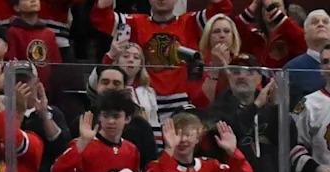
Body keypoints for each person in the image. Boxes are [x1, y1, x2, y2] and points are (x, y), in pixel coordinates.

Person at [90, 0, 233, 123]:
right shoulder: (134, 22)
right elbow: (101, 17)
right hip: (144, 103)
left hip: (183, 104)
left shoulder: (190, 22)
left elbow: (223, 9)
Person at [51, 90, 141, 172]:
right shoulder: (83, 145)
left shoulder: (131, 150)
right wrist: (82, 142)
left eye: (116, 116)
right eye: (106, 116)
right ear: (99, 117)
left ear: (127, 119)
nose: (110, 121)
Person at [209, 54, 285, 172]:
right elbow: (230, 129)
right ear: (229, 78)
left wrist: (277, 106)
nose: (241, 77)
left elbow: (289, 138)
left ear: (259, 78)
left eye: (249, 72)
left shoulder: (270, 109)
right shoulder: (218, 109)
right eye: (236, 72)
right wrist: (255, 107)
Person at [290, 45, 330, 172]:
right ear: (320, 68)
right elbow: (295, 146)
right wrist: (317, 170)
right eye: (326, 61)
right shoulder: (308, 104)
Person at [6, 0, 61, 92]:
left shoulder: (49, 33)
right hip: (22, 88)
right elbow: (12, 63)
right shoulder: (13, 32)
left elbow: (56, 64)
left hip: (46, 88)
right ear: (16, 7)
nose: (33, 1)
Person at [189, 14, 241, 110]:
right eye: (216, 31)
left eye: (227, 31)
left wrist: (223, 66)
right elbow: (201, 103)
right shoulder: (197, 66)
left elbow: (244, 97)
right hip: (208, 117)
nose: (222, 35)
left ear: (233, 37)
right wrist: (215, 69)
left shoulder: (243, 62)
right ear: (208, 37)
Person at [235, 0, 306, 69]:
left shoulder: (294, 35)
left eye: (276, 6)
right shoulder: (254, 36)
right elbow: (234, 30)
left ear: (286, 11)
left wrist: (271, 8)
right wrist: (254, 4)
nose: (269, 9)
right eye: (265, 7)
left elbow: (302, 38)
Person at [285, 10, 330, 105]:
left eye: (325, 22)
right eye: (314, 22)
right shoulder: (292, 69)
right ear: (304, 34)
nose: (321, 24)